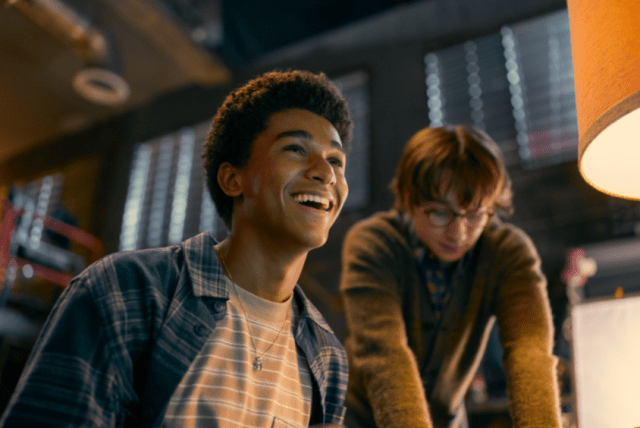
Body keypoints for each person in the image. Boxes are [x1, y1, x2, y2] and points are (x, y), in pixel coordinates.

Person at [1, 69, 353, 428]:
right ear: (233, 179)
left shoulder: (328, 357)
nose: (326, 173)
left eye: (336, 161)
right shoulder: (125, 290)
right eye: (296, 149)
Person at [340, 125, 562, 428]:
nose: (458, 234)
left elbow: (529, 351)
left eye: (474, 215)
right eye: (440, 213)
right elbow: (386, 355)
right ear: (408, 198)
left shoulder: (507, 253)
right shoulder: (373, 244)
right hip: (359, 420)